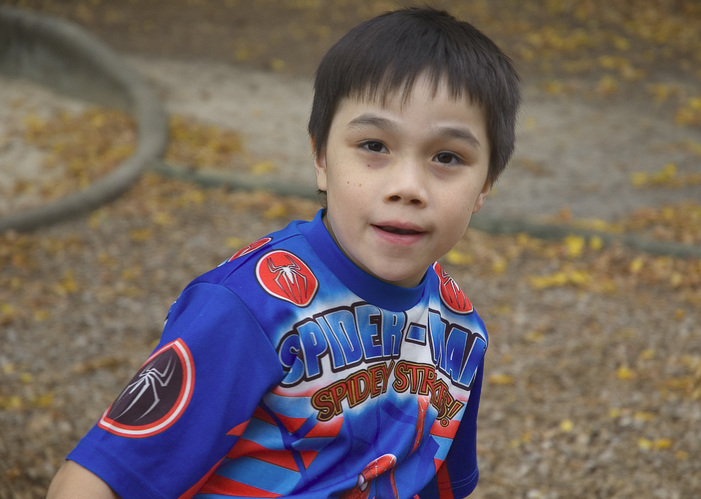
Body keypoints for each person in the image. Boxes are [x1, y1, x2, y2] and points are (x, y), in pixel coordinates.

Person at [47, 6, 520, 498]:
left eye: (447, 157)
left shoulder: (461, 330)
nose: (408, 187)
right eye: (375, 145)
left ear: (485, 185)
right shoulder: (250, 309)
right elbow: (87, 484)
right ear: (320, 158)